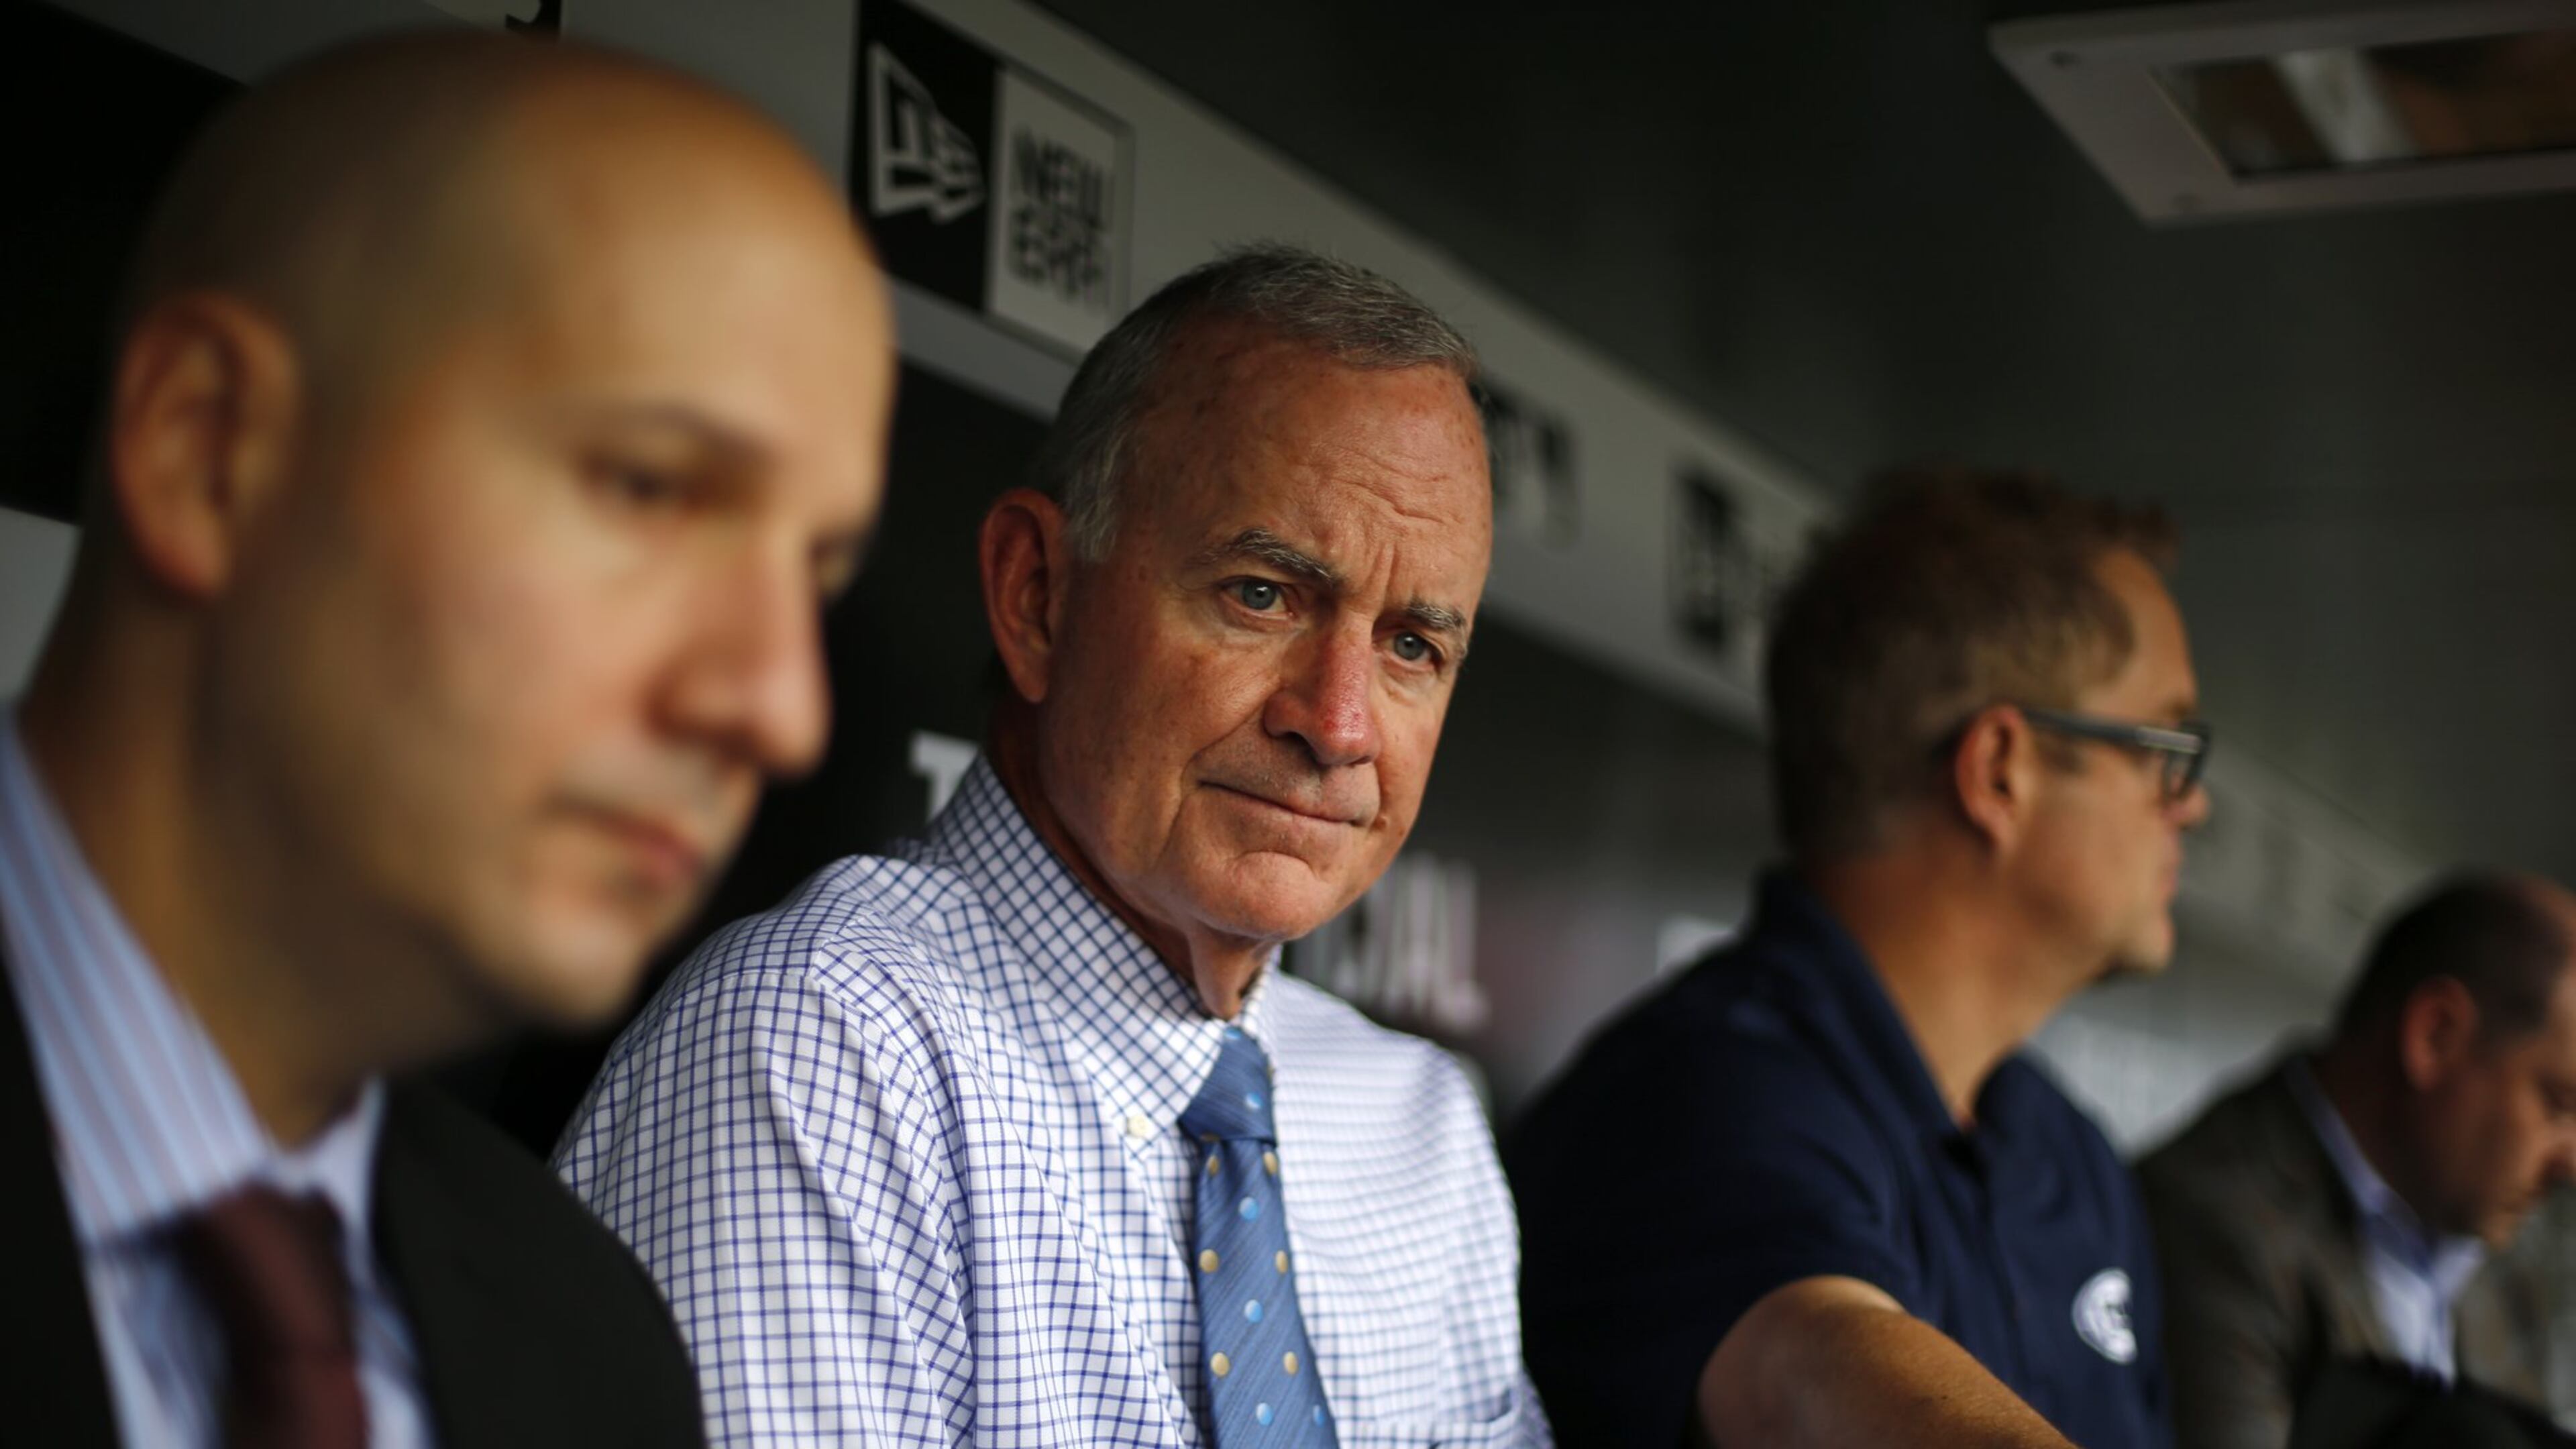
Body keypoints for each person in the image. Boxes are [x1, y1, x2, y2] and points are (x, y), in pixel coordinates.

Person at [0, 30, 896, 1448]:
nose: (778, 705)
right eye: (651, 489)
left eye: (817, 577)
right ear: (207, 448)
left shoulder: (593, 1344)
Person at [557, 244, 1547, 1448]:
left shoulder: (1424, 1130)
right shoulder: (834, 1048)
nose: (1337, 726)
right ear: (1037, 596)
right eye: (1261, 595)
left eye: (1411, 649)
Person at [1511, 469, 2207, 1449]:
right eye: (2163, 744)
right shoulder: (1704, 1094)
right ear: (2000, 772)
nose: (2192, 803)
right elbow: (1808, 1364)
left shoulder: (2070, 1155)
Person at [2140, 874, 2576, 1449]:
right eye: (2559, 1104)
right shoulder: (2211, 1225)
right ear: (2435, 1035)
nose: (2569, 1164)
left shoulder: (2499, 1264)